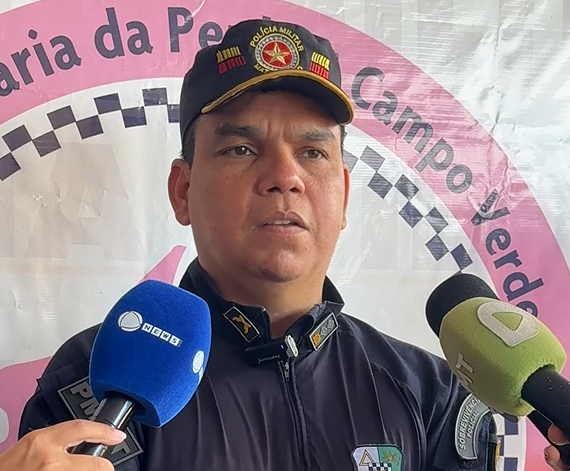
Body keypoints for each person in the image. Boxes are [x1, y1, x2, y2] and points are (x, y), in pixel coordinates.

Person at [3, 17, 567, 471]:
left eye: (313, 152)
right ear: (182, 190)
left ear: (343, 196)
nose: (284, 177)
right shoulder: (100, 384)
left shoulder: (431, 395)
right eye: (241, 149)